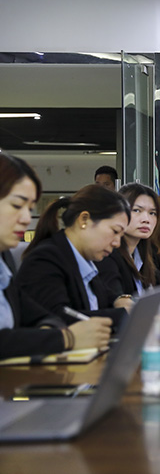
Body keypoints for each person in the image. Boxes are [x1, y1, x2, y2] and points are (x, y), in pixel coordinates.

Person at [0, 153, 111, 359]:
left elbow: (43, 316)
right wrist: (66, 338)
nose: (26, 219)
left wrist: (43, 335)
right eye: (16, 206)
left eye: (30, 209)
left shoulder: (3, 262)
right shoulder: (47, 257)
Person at [17, 184, 133, 324]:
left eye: (121, 236)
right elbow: (57, 319)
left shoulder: (85, 262)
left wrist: (118, 300)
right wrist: (122, 315)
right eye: (115, 231)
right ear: (84, 220)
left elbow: (105, 297)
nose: (117, 243)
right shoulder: (45, 260)